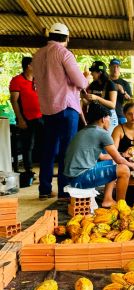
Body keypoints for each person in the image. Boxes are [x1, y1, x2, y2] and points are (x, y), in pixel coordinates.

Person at [32, 22, 88, 200]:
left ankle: (44, 189)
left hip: (48, 110)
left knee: (48, 149)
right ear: (67, 38)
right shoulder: (64, 53)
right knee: (66, 151)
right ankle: (64, 191)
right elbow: (80, 83)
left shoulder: (38, 55)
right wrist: (86, 79)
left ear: (50, 36)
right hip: (66, 107)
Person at [64, 103, 134, 207]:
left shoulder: (85, 131)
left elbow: (103, 157)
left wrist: (123, 155)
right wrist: (132, 165)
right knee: (124, 170)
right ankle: (121, 206)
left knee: (111, 163)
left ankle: (108, 199)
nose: (110, 122)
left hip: (72, 177)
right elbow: (118, 160)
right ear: (103, 119)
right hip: (80, 178)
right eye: (109, 118)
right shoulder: (102, 133)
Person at [9, 56, 43, 177]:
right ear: (29, 66)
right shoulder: (17, 80)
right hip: (27, 118)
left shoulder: (37, 79)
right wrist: (20, 119)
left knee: (44, 143)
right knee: (28, 144)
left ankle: (44, 169)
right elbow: (14, 100)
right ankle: (29, 170)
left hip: (41, 116)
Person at [82, 61, 118, 135]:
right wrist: (83, 97)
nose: (91, 73)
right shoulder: (93, 84)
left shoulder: (110, 84)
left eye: (93, 71)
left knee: (107, 142)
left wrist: (96, 98)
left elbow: (112, 105)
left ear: (100, 73)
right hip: (96, 118)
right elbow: (88, 102)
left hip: (108, 117)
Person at [109, 58, 132, 124]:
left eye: (117, 67)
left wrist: (122, 91)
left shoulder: (124, 83)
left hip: (121, 115)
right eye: (113, 66)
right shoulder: (105, 82)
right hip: (106, 115)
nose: (115, 69)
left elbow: (130, 100)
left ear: (120, 68)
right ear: (109, 67)